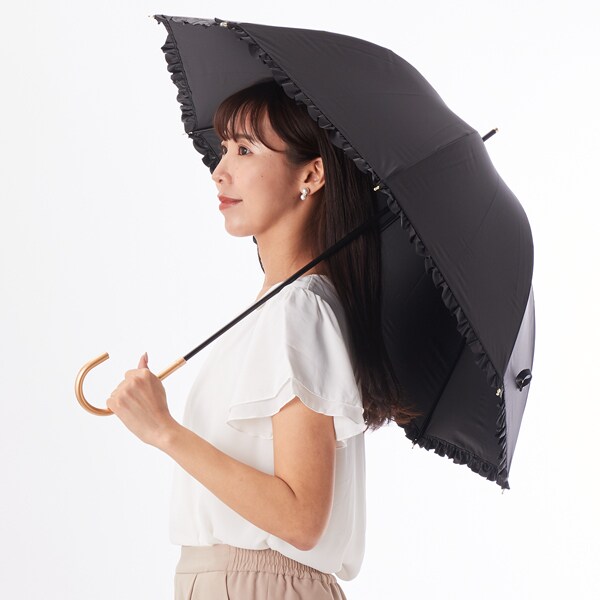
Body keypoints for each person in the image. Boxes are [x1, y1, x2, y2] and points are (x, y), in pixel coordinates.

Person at [106, 80, 415, 599]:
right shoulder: (281, 307)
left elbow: (301, 518)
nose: (219, 170)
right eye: (225, 147)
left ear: (311, 174)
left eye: (245, 150)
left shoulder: (299, 310)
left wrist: (164, 431)